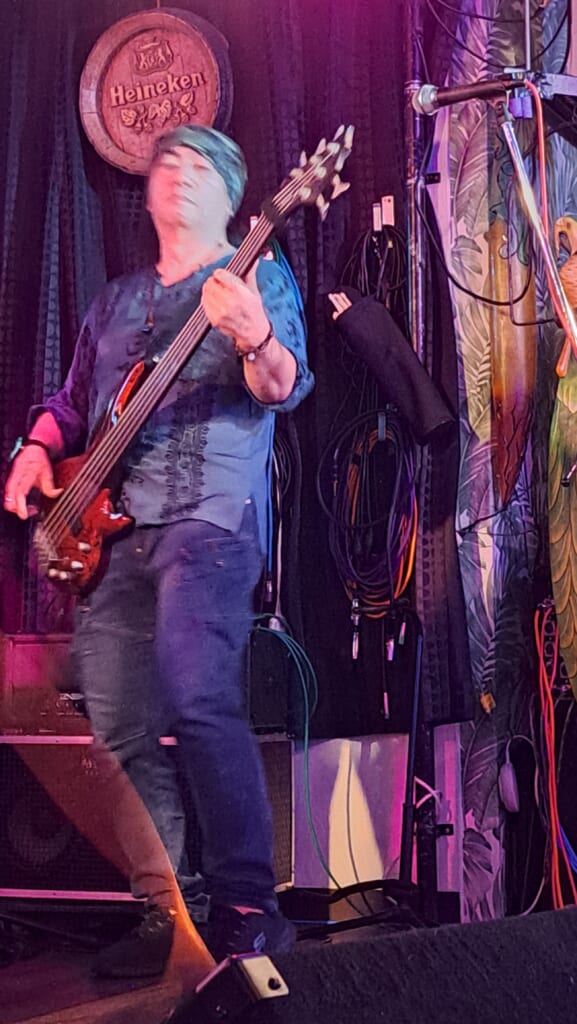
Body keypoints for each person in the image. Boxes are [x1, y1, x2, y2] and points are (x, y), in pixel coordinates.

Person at [3, 124, 314, 975]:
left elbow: (283, 385)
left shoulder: (254, 273)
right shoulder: (115, 301)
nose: (178, 172)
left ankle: (249, 908)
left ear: (234, 193)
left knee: (196, 695)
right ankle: (169, 907)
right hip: (113, 536)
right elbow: (71, 403)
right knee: (115, 725)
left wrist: (254, 336)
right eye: (167, 161)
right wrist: (35, 448)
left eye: (200, 163)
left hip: (207, 522)